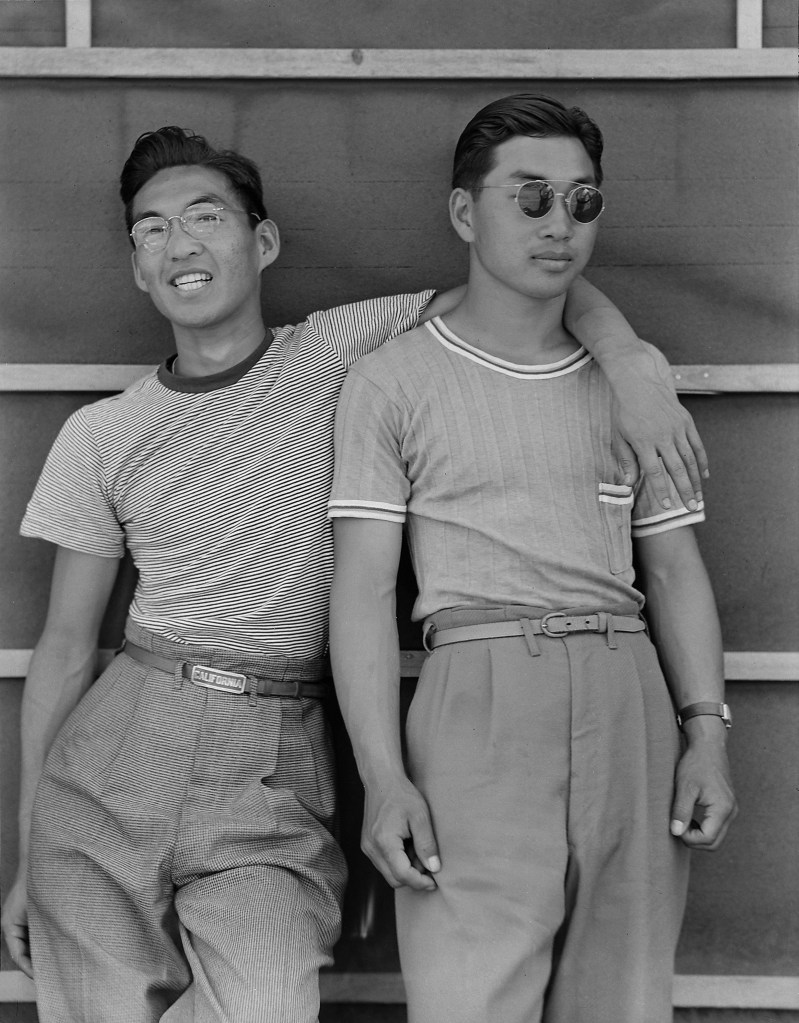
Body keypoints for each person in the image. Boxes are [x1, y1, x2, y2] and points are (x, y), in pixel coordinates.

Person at [1, 123, 708, 1023]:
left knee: (266, 1003)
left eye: (206, 216)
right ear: (137, 266)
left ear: (263, 242)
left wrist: (631, 365)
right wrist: (25, 850)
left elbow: (529, 276)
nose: (180, 244)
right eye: (151, 231)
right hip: (120, 740)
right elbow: (65, 648)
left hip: (274, 748)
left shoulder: (342, 349)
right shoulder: (98, 434)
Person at [328, 93, 737, 1023]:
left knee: (622, 1002)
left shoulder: (636, 384)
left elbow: (673, 570)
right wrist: (384, 775)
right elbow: (360, 589)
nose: (559, 225)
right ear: (466, 214)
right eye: (531, 198)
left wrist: (705, 732)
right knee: (469, 1001)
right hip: (475, 695)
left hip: (626, 693)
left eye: (582, 202)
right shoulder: (392, 377)